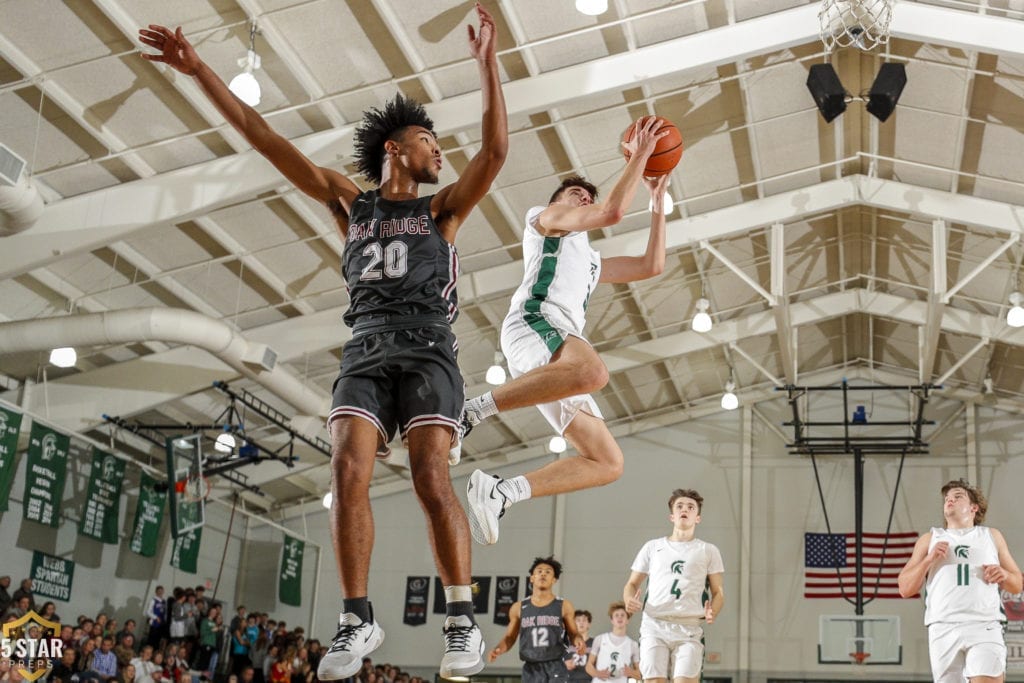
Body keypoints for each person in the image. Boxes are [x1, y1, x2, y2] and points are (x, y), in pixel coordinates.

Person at [139, 1, 507, 679]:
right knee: (345, 470)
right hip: (365, 346)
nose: (440, 149)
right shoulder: (351, 203)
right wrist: (200, 72)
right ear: (396, 147)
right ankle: (356, 618)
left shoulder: (442, 209)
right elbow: (263, 137)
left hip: (428, 347)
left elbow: (496, 151)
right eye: (429, 139)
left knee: (430, 475)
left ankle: (461, 621)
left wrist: (488, 63)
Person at [461, 118, 671, 545]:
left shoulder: (590, 261)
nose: (585, 197)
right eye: (578, 193)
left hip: (558, 347)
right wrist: (643, 155)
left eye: (587, 195)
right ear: (560, 201)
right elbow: (610, 211)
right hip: (535, 323)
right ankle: (470, 412)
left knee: (607, 461)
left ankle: (502, 492)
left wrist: (657, 202)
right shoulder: (545, 219)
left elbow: (651, 266)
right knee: (593, 371)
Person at [898, 479, 1023, 683]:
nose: (950, 500)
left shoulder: (991, 536)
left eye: (957, 497)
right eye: (947, 498)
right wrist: (929, 560)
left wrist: (1005, 575)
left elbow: (1017, 584)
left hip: (984, 624)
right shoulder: (930, 539)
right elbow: (904, 588)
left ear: (974, 508)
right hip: (943, 626)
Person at [622, 488, 725, 683]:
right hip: (654, 624)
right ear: (672, 516)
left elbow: (718, 592)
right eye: (679, 506)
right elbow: (632, 583)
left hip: (689, 627)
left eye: (690, 507)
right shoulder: (652, 547)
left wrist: (714, 610)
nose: (684, 509)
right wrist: (628, 600)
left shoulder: (708, 550)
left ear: (698, 518)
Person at [486, 556, 585, 682]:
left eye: (548, 572)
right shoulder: (518, 607)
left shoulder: (564, 605)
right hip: (531, 667)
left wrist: (578, 641)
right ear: (532, 578)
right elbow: (510, 637)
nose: (543, 574)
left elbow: (573, 633)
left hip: (555, 666)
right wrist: (498, 649)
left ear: (554, 580)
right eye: (539, 571)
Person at [585, 602, 639, 683]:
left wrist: (631, 672)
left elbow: (640, 674)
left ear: (627, 620)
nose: (619, 617)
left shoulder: (633, 645)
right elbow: (588, 666)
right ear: (612, 620)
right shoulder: (600, 639)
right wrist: (598, 673)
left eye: (622, 615)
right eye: (616, 615)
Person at [564, 609, 593, 682]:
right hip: (570, 680)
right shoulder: (565, 643)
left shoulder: (595, 643)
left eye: (584, 620)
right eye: (578, 620)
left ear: (589, 624)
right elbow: (555, 663)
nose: (581, 623)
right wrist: (564, 665)